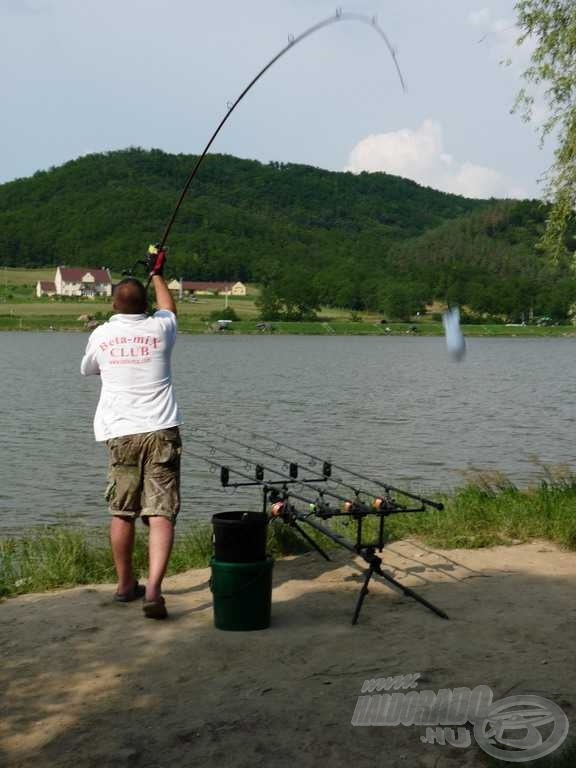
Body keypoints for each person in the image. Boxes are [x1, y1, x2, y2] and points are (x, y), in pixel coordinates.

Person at [81, 248, 182, 619]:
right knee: (161, 513)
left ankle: (126, 585)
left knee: (122, 512)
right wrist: (158, 273)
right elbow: (169, 308)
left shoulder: (102, 334)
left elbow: (88, 370)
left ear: (113, 304)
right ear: (145, 305)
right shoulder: (160, 327)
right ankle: (154, 590)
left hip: (121, 434)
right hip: (160, 431)